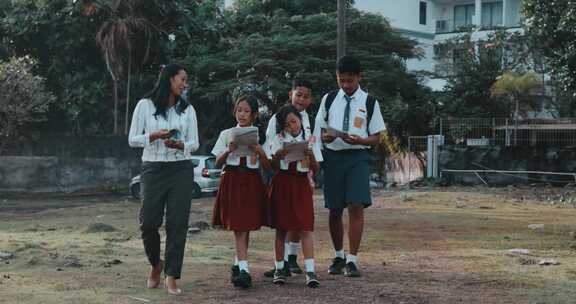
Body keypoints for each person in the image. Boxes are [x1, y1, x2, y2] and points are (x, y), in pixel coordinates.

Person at [128, 63, 199, 295]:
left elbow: (194, 143)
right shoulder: (144, 105)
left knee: (177, 224)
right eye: (182, 79)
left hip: (180, 169)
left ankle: (171, 275)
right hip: (152, 168)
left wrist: (180, 145)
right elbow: (132, 139)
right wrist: (154, 136)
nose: (185, 84)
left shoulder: (188, 110)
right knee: (148, 222)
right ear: (169, 79)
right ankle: (156, 264)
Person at [313, 55, 386, 278]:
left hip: (358, 158)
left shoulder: (370, 102)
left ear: (359, 77)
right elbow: (319, 130)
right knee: (335, 208)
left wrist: (361, 141)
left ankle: (352, 260)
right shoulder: (329, 99)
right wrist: (324, 140)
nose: (345, 85)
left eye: (349, 81)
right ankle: (338, 255)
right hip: (333, 157)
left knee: (356, 205)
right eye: (341, 80)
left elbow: (376, 137)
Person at [263, 78, 322, 278]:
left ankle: (296, 262)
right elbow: (270, 153)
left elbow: (316, 161)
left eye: (306, 96)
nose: (301, 99)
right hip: (283, 176)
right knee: (282, 224)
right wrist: (277, 155)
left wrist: (311, 168)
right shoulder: (276, 121)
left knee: (302, 222)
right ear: (291, 94)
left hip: (303, 177)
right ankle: (281, 266)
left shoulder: (311, 123)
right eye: (298, 94)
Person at [211, 95, 271, 289]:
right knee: (238, 225)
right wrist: (229, 151)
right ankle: (244, 270)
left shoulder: (260, 135)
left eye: (246, 111)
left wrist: (259, 150)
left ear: (253, 115)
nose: (242, 114)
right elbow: (217, 162)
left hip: (252, 179)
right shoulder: (226, 133)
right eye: (239, 110)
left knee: (247, 224)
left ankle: (238, 264)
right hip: (232, 178)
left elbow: (268, 165)